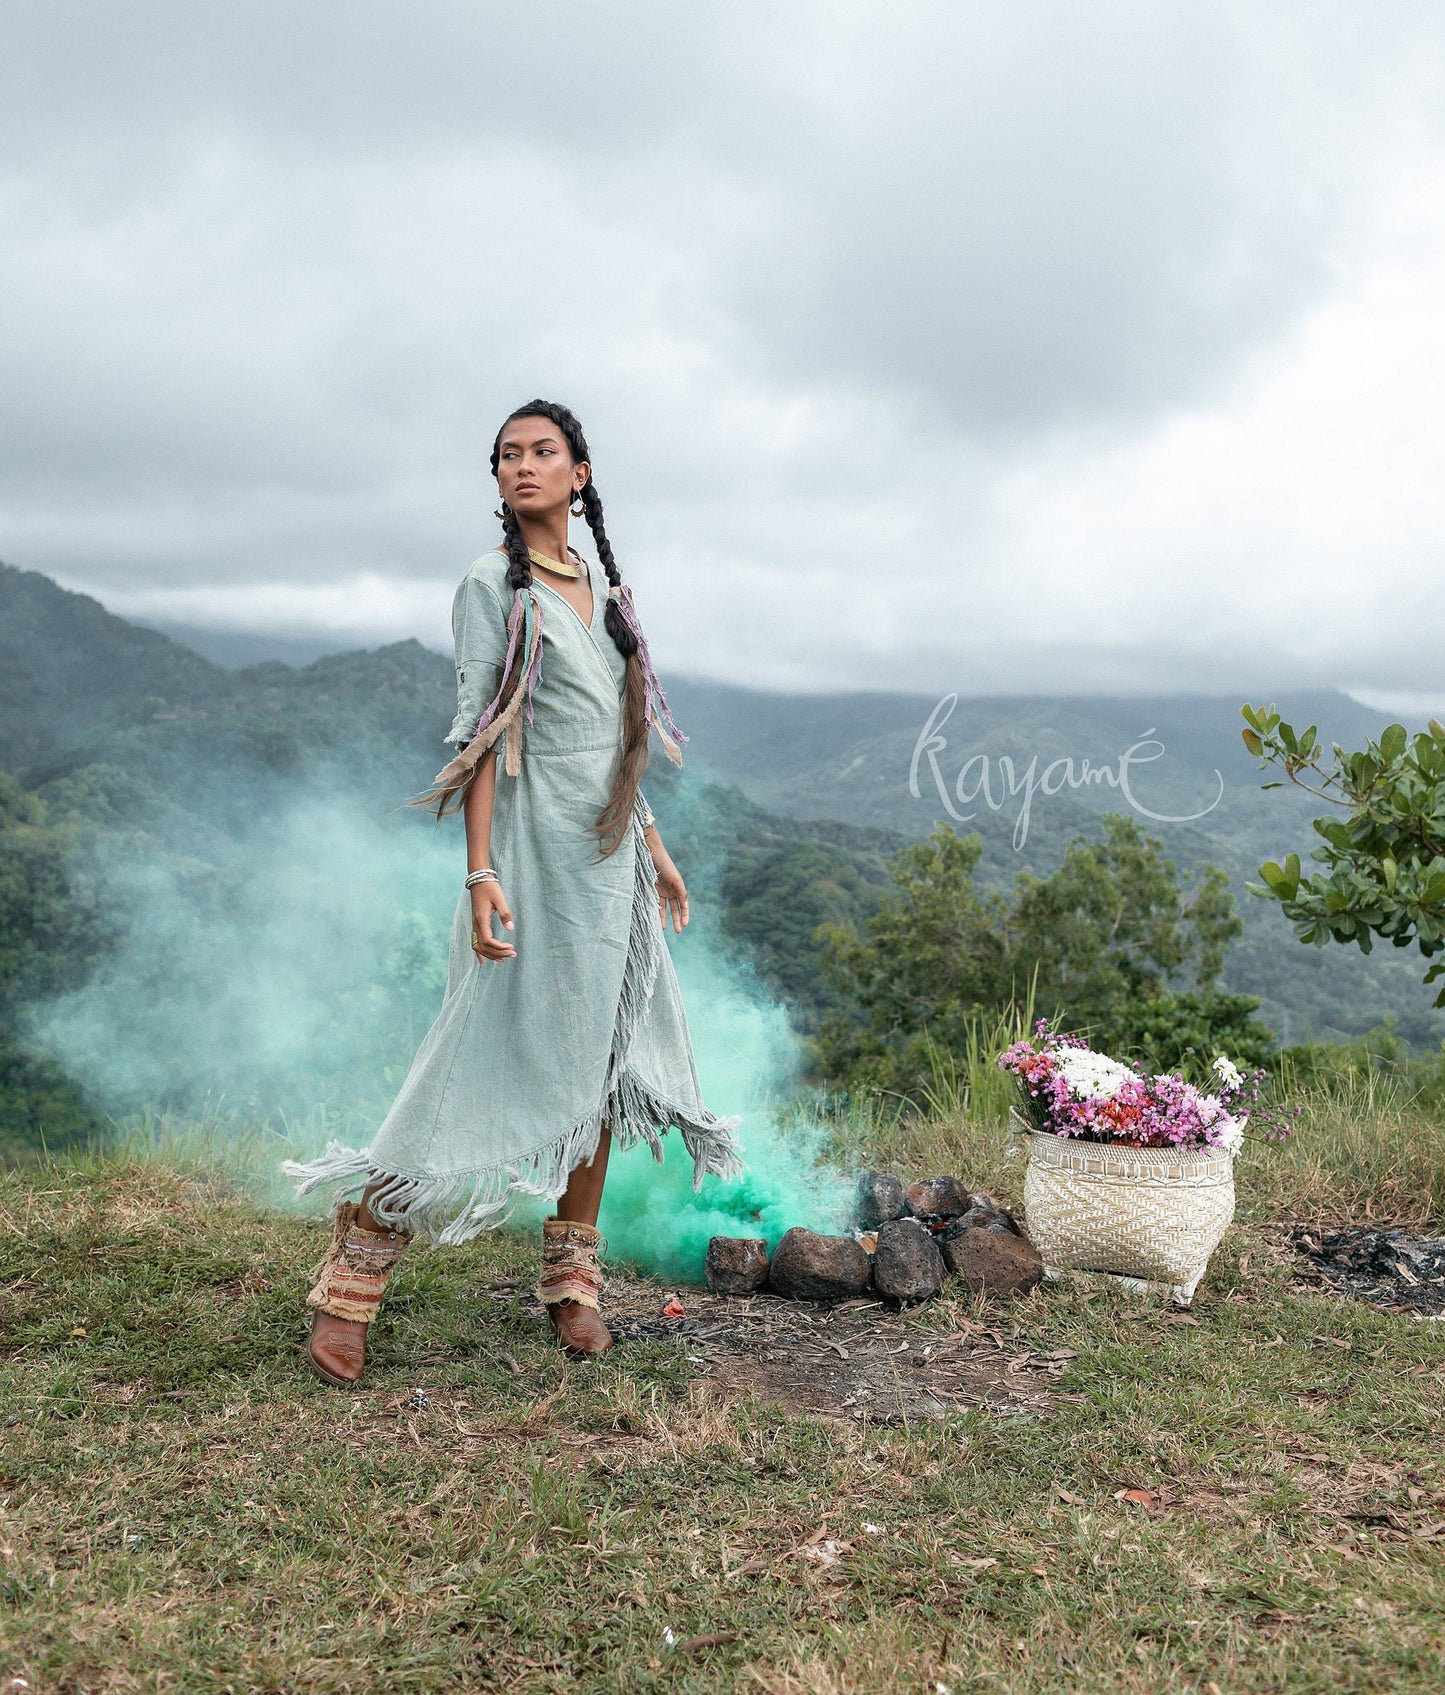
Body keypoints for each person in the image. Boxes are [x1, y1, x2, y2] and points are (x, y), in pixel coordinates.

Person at [284, 400, 740, 1380]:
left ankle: (571, 1278)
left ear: (579, 474)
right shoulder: (492, 585)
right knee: (478, 1043)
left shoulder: (604, 587)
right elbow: (482, 730)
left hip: (608, 851)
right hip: (528, 849)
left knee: (610, 1063)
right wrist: (480, 871)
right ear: (496, 480)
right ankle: (353, 1272)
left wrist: (652, 845)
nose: (522, 467)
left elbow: (615, 740)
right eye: (506, 456)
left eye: (542, 453)